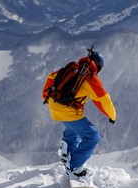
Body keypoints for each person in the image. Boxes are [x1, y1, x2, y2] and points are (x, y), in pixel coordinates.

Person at [42, 50, 117, 178]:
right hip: (68, 112)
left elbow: (50, 78)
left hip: (54, 105)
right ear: (98, 66)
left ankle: (66, 148)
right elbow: (103, 99)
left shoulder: (71, 68)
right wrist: (112, 115)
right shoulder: (90, 77)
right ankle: (75, 168)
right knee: (93, 136)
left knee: (75, 126)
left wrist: (48, 98)